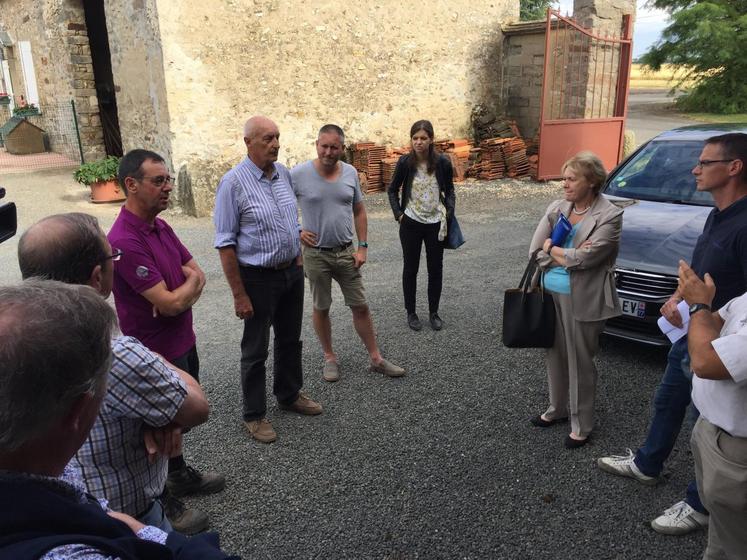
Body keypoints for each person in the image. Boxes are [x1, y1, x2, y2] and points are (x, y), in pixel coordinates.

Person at [0, 280, 238, 559]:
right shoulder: (71, 553)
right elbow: (197, 406)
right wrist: (155, 364)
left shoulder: (40, 471)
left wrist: (153, 416)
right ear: (78, 412)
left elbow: (91, 506)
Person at [18, 212, 212, 535]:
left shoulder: (17, 336)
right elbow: (197, 405)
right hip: (121, 517)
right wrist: (161, 404)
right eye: (113, 257)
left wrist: (156, 415)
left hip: (52, 513)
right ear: (97, 277)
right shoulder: (112, 351)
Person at [597, 133, 747, 535]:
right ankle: (648, 464)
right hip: (689, 329)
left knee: (706, 428)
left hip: (719, 346)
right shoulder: (720, 213)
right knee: (667, 401)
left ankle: (700, 504)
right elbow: (700, 269)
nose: (695, 170)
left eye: (705, 163)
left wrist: (700, 309)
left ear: (734, 167)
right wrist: (676, 295)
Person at [109, 149, 225, 522]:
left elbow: (197, 274)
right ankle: (160, 503)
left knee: (176, 421)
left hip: (181, 339)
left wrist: (181, 290)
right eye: (159, 181)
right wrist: (178, 295)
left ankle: (178, 476)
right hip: (153, 350)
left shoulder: (161, 226)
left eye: (168, 179)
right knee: (156, 428)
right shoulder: (124, 239)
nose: (168, 187)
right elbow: (169, 302)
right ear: (131, 185)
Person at [214, 115, 322, 444]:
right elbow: (225, 243)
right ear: (248, 143)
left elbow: (289, 219)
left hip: (290, 272)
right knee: (256, 347)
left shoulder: (283, 174)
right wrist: (239, 294)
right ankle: (254, 413)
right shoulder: (232, 183)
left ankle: (289, 395)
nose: (275, 144)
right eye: (267, 139)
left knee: (290, 339)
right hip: (257, 278)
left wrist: (297, 257)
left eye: (277, 137)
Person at [291, 124, 405, 382]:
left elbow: (359, 210)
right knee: (321, 307)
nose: (328, 152)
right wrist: (296, 230)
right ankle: (330, 357)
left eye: (334, 147)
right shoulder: (298, 174)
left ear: (342, 148)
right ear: (316, 144)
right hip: (315, 254)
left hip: (345, 252)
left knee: (360, 306)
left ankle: (376, 358)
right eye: (324, 146)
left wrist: (362, 247)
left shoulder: (350, 173)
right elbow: (282, 205)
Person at [528, 151, 623, 449]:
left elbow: (587, 258)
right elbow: (535, 251)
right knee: (554, 354)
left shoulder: (610, 215)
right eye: (564, 178)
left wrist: (555, 251)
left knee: (580, 360)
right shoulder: (558, 207)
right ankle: (557, 409)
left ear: (592, 181)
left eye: (572, 179)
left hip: (584, 298)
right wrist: (564, 257)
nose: (564, 184)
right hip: (549, 292)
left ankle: (581, 424)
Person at [677, 260, 747, 560]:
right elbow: (719, 319)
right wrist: (694, 307)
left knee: (737, 541)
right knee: (723, 529)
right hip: (712, 431)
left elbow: (705, 362)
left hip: (736, 451)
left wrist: (697, 307)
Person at [387, 119, 455, 331]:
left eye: (423, 138)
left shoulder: (442, 163)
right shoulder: (405, 163)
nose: (419, 142)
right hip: (411, 224)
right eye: (415, 138)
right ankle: (411, 312)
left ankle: (434, 312)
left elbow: (450, 190)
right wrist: (399, 214)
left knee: (435, 269)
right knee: (411, 268)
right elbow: (392, 190)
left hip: (435, 224)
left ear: (431, 139)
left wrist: (449, 210)